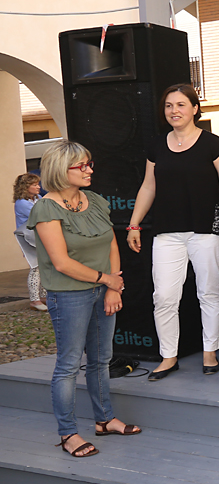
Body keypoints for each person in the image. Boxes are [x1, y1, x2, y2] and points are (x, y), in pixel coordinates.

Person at [28, 141, 138, 458]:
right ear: (62, 170)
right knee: (68, 365)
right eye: (83, 166)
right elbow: (61, 263)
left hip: (104, 288)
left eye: (90, 164)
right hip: (69, 295)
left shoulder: (95, 201)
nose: (90, 170)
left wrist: (114, 286)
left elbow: (110, 244)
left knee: (101, 359)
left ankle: (104, 419)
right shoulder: (45, 208)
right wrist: (107, 280)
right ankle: (68, 433)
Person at [128, 84, 219, 379]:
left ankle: (209, 352)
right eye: (168, 106)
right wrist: (134, 223)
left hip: (207, 229)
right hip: (166, 231)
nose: (174, 111)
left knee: (209, 292)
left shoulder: (213, 144)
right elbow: (148, 187)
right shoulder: (156, 145)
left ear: (194, 109)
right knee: (163, 296)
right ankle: (168, 356)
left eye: (180, 105)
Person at [13, 173, 46, 311]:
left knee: (44, 267)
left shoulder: (38, 198)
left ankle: (44, 296)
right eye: (35, 185)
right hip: (29, 239)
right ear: (26, 187)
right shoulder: (22, 203)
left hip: (40, 237)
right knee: (36, 267)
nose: (38, 187)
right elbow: (42, 214)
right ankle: (35, 300)